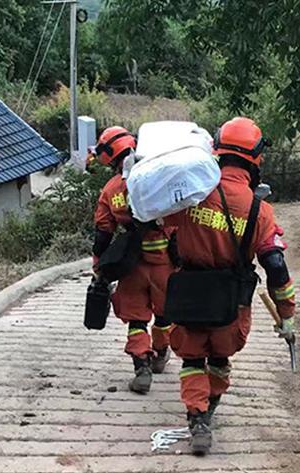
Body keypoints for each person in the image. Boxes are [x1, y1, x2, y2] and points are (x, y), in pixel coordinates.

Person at [162, 117, 297, 454]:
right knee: (219, 357)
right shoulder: (260, 210)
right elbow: (275, 265)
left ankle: (197, 418)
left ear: (217, 152)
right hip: (231, 302)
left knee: (192, 360)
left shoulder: (191, 193)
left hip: (189, 293)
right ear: (255, 160)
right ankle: (210, 408)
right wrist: (287, 313)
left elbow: (162, 226)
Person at [90, 126, 174, 393]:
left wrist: (98, 266)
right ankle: (160, 355)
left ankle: (142, 369)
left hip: (131, 265)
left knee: (137, 320)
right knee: (164, 315)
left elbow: (103, 234)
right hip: (166, 264)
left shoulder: (111, 190)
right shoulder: (161, 178)